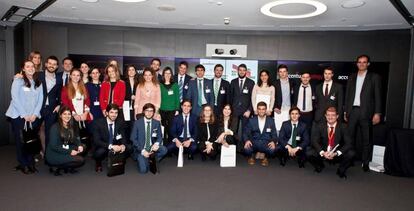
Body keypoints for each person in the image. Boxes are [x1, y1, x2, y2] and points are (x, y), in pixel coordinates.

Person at [344, 54, 381, 172]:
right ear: (357, 64)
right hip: (352, 111)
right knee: (350, 138)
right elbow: (348, 95)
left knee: (367, 139)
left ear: (368, 64)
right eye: (359, 62)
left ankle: (365, 162)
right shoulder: (351, 77)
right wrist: (345, 111)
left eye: (364, 62)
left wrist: (377, 113)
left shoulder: (374, 77)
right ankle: (350, 160)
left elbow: (378, 96)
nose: (361, 64)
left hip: (366, 112)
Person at [6, 60, 43, 174]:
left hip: (33, 117)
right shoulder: (18, 80)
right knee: (21, 141)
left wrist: (35, 114)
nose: (31, 68)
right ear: (23, 68)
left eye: (32, 66)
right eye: (28, 66)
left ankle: (31, 163)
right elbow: (15, 98)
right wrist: (24, 115)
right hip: (18, 116)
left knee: (31, 139)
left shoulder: (38, 82)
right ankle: (23, 164)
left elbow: (40, 99)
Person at [306, 107, 356, 178]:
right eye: (328, 115)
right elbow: (314, 141)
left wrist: (336, 153)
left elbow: (348, 143)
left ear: (337, 116)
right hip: (324, 152)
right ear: (325, 116)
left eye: (333, 115)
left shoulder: (343, 127)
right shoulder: (320, 126)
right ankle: (320, 166)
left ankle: (341, 169)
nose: (330, 117)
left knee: (351, 153)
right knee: (309, 152)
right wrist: (323, 152)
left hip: (337, 153)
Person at [45, 106, 85, 176]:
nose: (67, 116)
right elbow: (54, 146)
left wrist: (79, 145)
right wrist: (70, 151)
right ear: (60, 115)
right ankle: (57, 166)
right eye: (64, 114)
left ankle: (66, 165)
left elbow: (76, 138)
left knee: (83, 147)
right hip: (54, 153)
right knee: (80, 160)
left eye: (69, 114)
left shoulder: (71, 125)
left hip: (64, 148)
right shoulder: (55, 127)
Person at [130, 103, 167, 174]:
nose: (149, 113)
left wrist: (156, 144)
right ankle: (148, 160)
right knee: (143, 170)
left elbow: (159, 136)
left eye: (151, 111)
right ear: (143, 111)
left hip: (151, 147)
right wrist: (142, 151)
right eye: (147, 111)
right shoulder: (137, 123)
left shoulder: (156, 123)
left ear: (153, 112)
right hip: (140, 148)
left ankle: (150, 159)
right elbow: (133, 139)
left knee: (164, 150)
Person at [93, 104, 128, 172]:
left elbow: (123, 137)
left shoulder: (120, 122)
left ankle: (118, 159)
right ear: (106, 113)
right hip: (104, 145)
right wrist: (111, 146)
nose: (114, 115)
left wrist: (123, 145)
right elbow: (97, 141)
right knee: (99, 152)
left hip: (116, 146)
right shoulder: (98, 123)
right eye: (111, 112)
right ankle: (98, 163)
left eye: (116, 113)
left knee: (129, 148)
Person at [39, 56, 63, 151]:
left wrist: (59, 104)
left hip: (52, 109)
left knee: (49, 132)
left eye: (54, 64)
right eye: (50, 63)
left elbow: (60, 93)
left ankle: (48, 154)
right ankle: (33, 155)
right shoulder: (38, 75)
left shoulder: (59, 79)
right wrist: (18, 76)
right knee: (32, 131)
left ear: (57, 66)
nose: (51, 66)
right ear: (46, 64)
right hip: (38, 108)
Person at [243, 102, 278, 167]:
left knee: (273, 150)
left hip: (266, 143)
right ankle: (251, 156)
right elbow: (245, 133)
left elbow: (274, 134)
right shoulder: (251, 120)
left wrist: (273, 141)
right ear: (257, 110)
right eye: (259, 109)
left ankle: (266, 158)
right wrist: (247, 140)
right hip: (254, 143)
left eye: (263, 109)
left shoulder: (271, 121)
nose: (261, 111)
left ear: (266, 110)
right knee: (246, 149)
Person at [229, 64, 255, 143]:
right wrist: (230, 109)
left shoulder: (251, 82)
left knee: (245, 131)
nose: (242, 72)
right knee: (233, 130)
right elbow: (230, 97)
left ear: (246, 72)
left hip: (246, 111)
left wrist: (249, 110)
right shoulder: (233, 82)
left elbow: (252, 98)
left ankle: (245, 148)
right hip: (234, 111)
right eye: (240, 70)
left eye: (244, 70)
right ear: (237, 71)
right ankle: (234, 147)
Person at [159, 66, 180, 146]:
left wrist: (177, 109)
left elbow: (177, 98)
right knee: (163, 129)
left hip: (172, 111)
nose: (167, 75)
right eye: (166, 73)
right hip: (162, 110)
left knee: (171, 129)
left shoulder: (175, 85)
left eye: (169, 73)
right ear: (163, 74)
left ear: (171, 75)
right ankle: (163, 145)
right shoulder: (159, 85)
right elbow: (158, 98)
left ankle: (171, 146)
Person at [123, 65, 139, 140]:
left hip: (135, 107)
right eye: (129, 70)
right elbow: (122, 94)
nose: (131, 71)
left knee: (134, 126)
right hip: (125, 107)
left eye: (133, 70)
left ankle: (133, 144)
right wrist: (130, 97)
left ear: (135, 72)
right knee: (126, 126)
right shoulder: (123, 82)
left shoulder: (139, 82)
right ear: (127, 72)